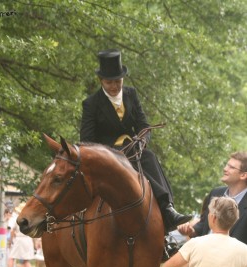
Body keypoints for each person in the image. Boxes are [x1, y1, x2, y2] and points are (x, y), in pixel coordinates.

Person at [80, 49, 191, 233]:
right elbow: (86, 140)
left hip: (134, 149)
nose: (115, 86)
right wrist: (109, 152)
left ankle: (167, 209)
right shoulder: (91, 103)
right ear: (101, 81)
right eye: (109, 82)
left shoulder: (131, 94)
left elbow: (143, 125)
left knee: (149, 157)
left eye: (118, 81)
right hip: (107, 154)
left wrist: (142, 140)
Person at [6, 202, 34, 267]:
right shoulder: (30, 219)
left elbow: (11, 230)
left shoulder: (16, 218)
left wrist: (10, 241)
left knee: (11, 258)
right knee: (26, 260)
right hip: (27, 239)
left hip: (18, 239)